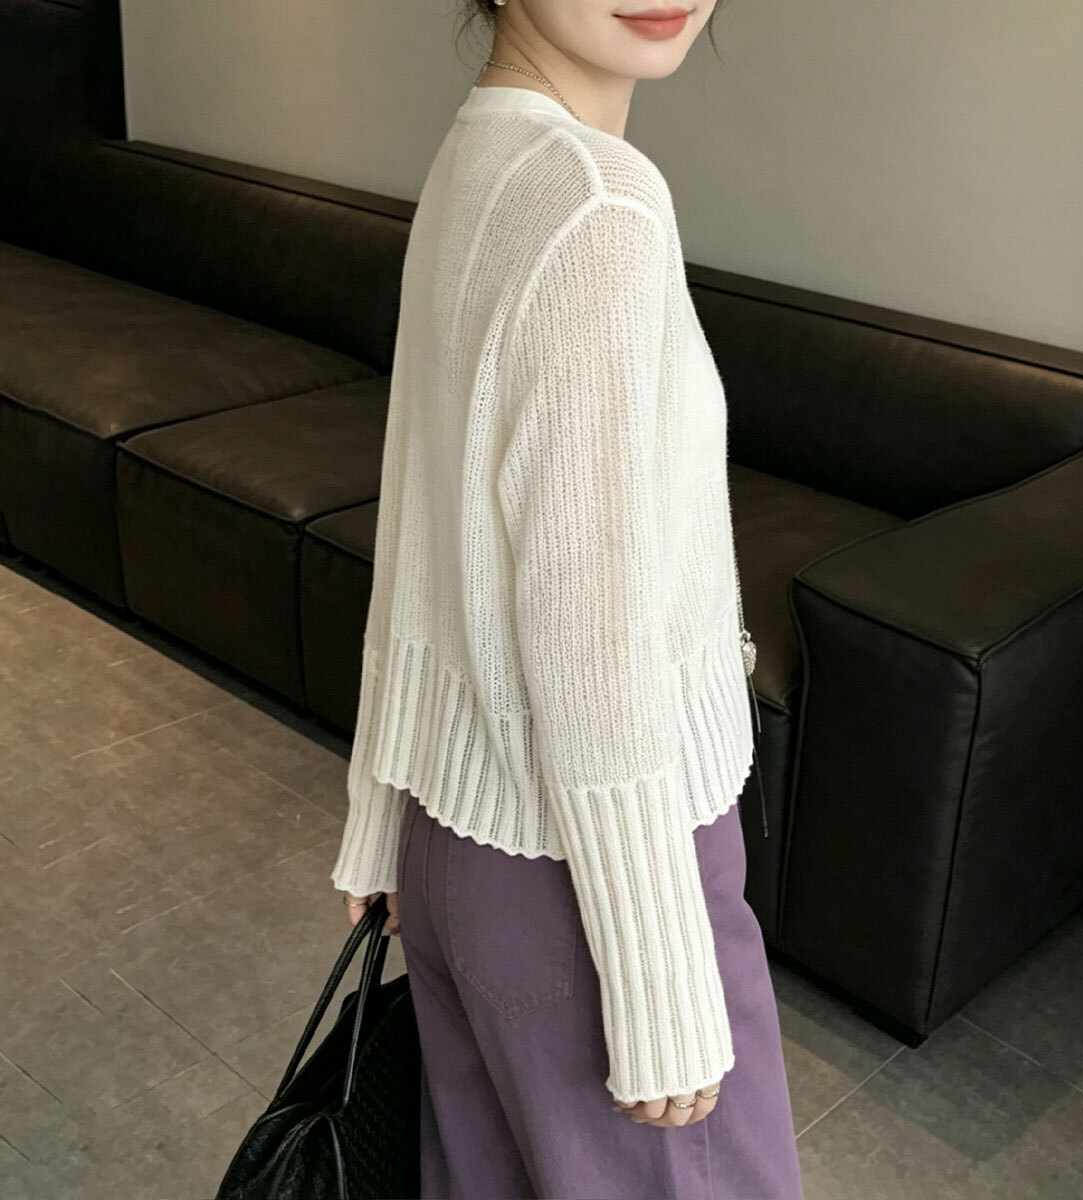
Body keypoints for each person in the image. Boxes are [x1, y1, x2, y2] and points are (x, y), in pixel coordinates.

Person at [330, 1, 804, 1195]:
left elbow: (424, 521)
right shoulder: (598, 203)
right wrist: (656, 972)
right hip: (593, 878)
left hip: (458, 841)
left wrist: (385, 812)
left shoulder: (481, 148)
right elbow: (590, 633)